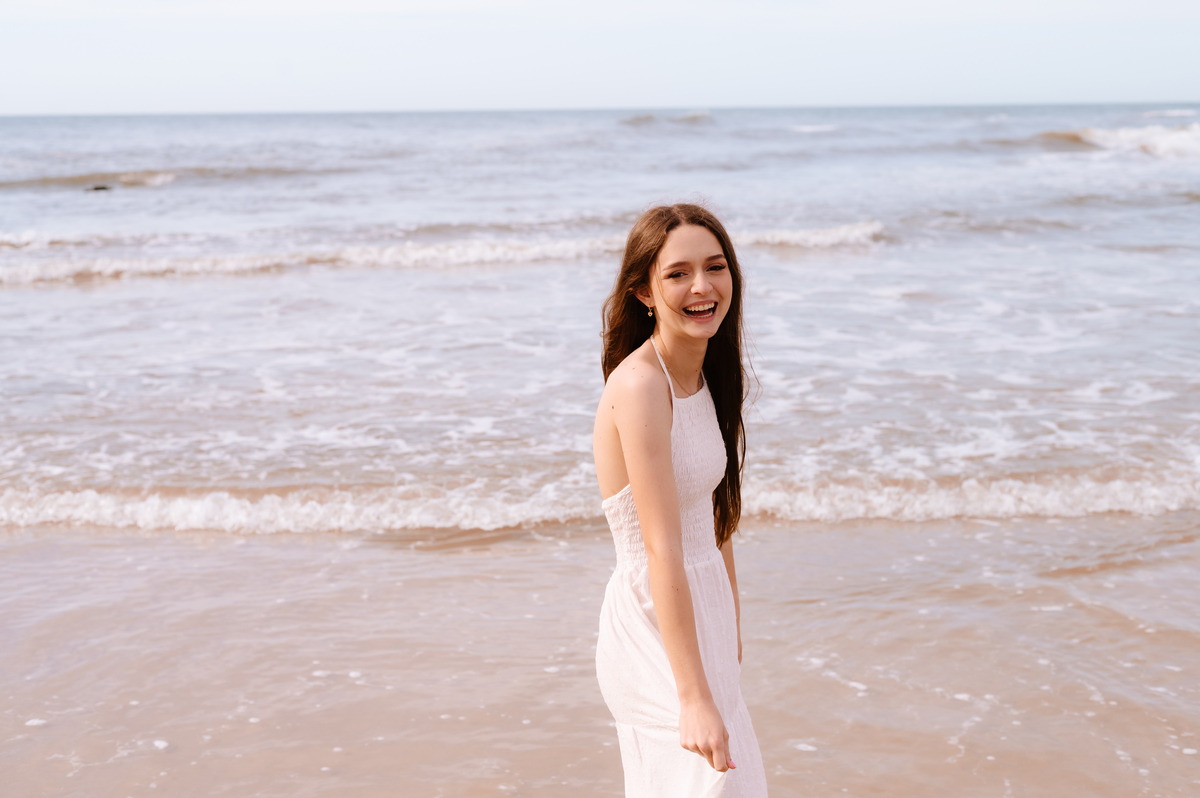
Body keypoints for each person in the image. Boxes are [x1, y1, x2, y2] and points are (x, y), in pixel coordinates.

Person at [593, 204, 768, 797]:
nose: (702, 287)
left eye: (715, 267)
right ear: (643, 291)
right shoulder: (641, 385)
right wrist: (693, 695)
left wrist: (730, 628)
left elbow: (715, 521)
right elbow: (662, 548)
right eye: (677, 273)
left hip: (701, 612)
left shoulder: (703, 371)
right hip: (653, 624)